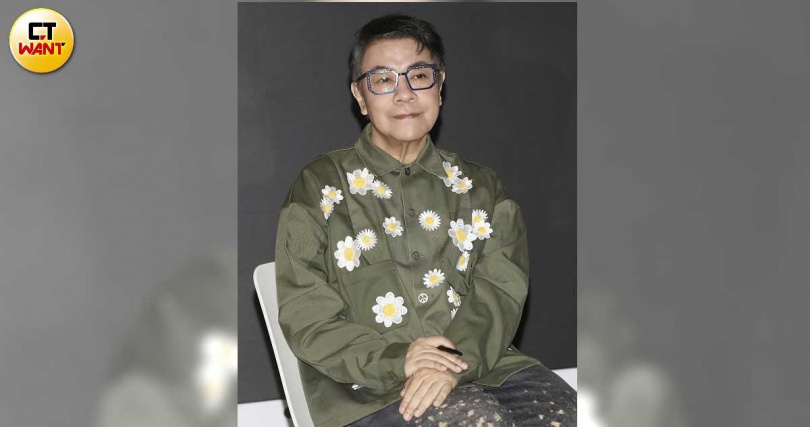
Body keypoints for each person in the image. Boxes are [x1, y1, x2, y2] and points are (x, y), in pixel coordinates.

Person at [275, 14, 576, 426]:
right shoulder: (320, 187)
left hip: (487, 366)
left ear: (440, 86)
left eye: (418, 76)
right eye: (383, 80)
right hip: (368, 386)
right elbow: (307, 313)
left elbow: (500, 292)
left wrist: (448, 361)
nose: (404, 94)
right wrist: (399, 359)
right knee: (477, 420)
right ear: (360, 95)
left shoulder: (481, 188)